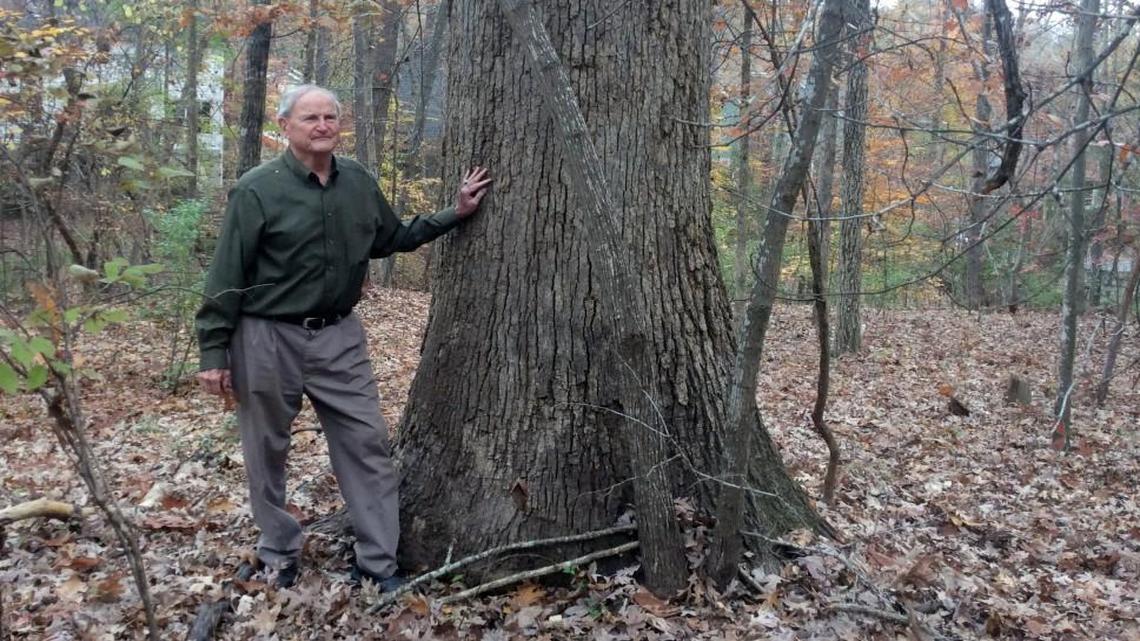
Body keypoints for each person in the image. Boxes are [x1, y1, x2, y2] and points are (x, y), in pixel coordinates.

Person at [195, 84, 491, 590]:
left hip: (339, 337)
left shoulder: (356, 180)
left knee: (367, 442)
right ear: (285, 126)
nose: (323, 125)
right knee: (266, 450)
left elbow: (392, 238)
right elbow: (227, 275)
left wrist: (455, 213)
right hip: (266, 337)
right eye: (311, 117)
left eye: (331, 116)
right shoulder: (256, 189)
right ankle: (279, 553)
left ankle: (378, 564)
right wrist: (213, 351)